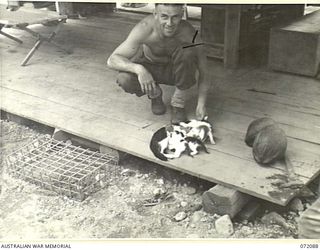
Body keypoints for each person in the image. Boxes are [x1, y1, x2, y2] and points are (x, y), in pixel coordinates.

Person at [107, 3, 210, 124]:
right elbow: (112, 59)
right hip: (150, 68)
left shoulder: (191, 33)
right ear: (155, 14)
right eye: (164, 16)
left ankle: (178, 104)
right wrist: (139, 69)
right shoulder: (144, 28)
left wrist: (201, 104)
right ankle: (155, 95)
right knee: (124, 79)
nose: (170, 23)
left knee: (188, 52)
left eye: (175, 17)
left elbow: (205, 71)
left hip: (176, 71)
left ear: (182, 14)